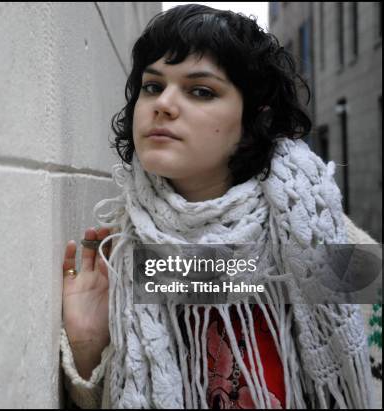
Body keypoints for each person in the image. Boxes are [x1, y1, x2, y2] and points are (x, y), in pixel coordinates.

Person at [60, 4, 378, 409]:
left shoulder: (323, 241)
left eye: (201, 91)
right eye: (153, 86)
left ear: (252, 118)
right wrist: (88, 344)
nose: (164, 104)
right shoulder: (121, 256)